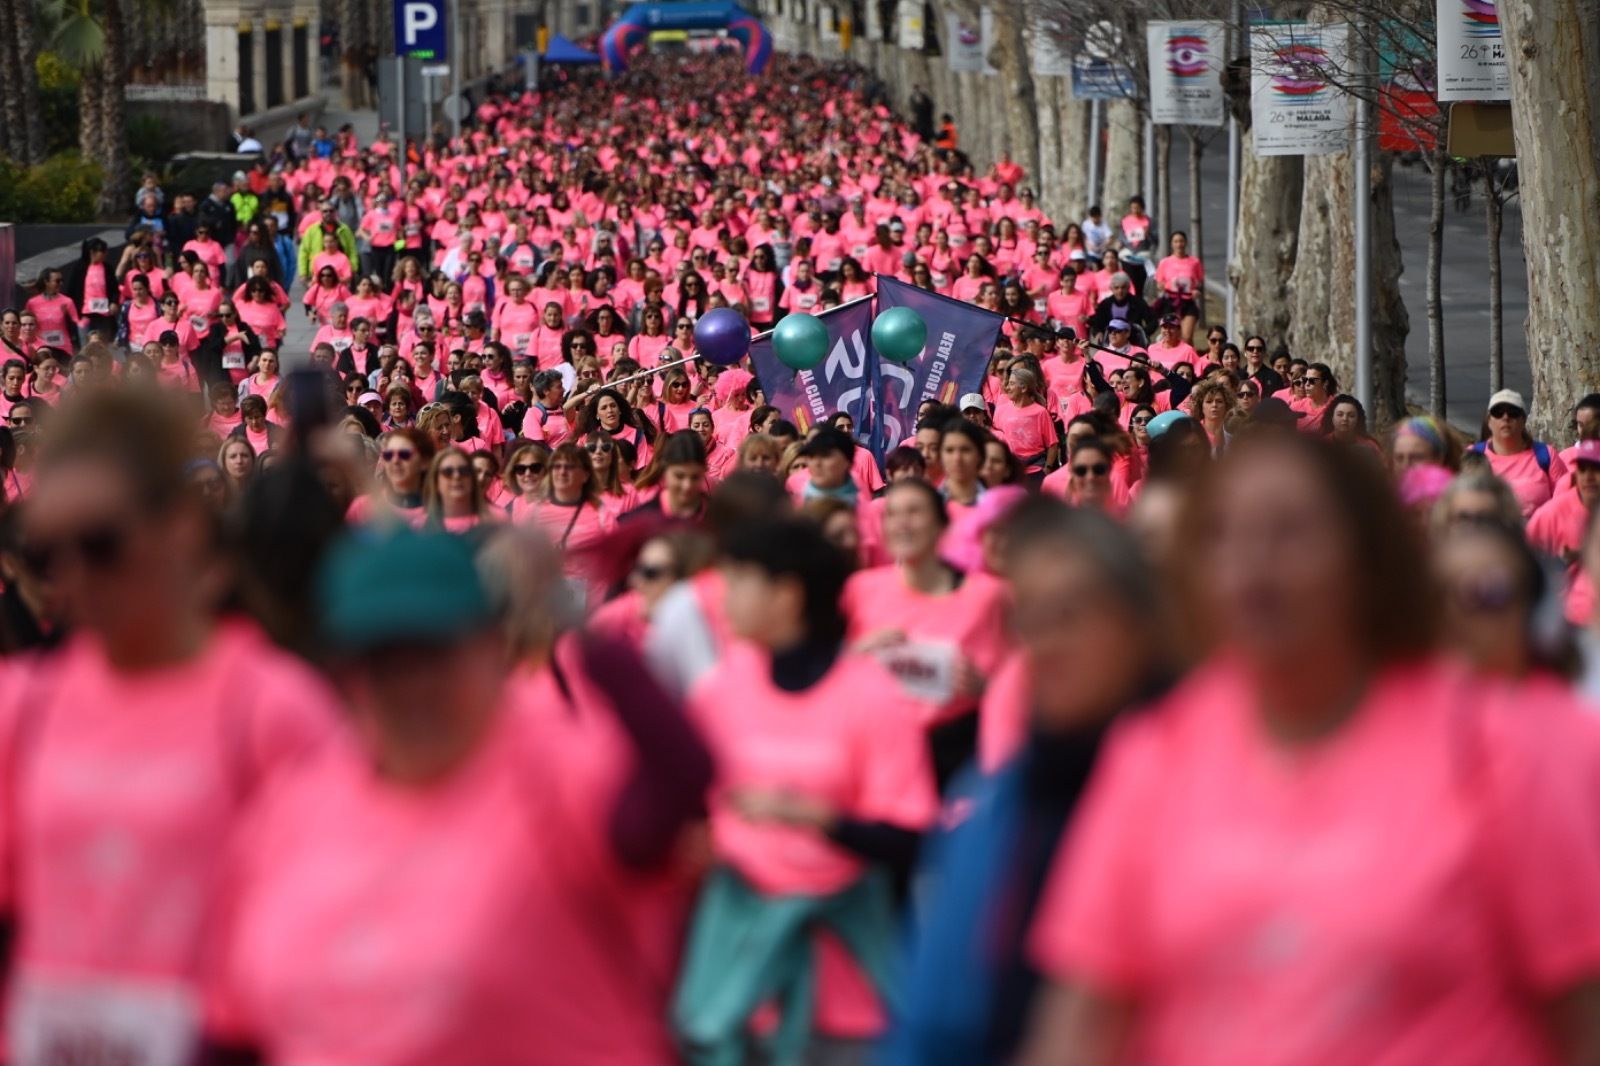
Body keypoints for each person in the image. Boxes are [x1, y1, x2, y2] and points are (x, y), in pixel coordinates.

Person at [1021, 433, 1600, 1066]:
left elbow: (1581, 1016)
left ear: (1367, 560)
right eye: (1223, 535)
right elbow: (1084, 1018)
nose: (1253, 565)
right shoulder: (1154, 752)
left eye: (1289, 532)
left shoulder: (1495, 744)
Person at [204, 525, 709, 1064]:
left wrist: (575, 622)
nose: (411, 684)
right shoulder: (295, 809)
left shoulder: (552, 770)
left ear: (492, 644)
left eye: (434, 653)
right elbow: (231, 1028)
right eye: (382, 661)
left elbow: (677, 783)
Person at [1, 389, 338, 1061]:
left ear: (181, 528)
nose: (72, 576)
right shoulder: (23, 706)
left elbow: (325, 931)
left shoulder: (274, 709)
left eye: (101, 545)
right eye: (47, 552)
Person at [889, 499, 1172, 1065]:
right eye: (1030, 620)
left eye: (1070, 614)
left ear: (1137, 624)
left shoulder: (1189, 782)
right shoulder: (994, 799)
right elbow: (930, 1012)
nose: (1046, 643)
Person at [674, 517, 937, 1064]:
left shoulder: (871, 696)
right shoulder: (722, 687)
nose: (723, 595)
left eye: (738, 579)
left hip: (846, 990)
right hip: (739, 983)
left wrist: (819, 818)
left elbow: (911, 839)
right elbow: (688, 807)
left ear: (787, 594)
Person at [843, 478, 1012, 780]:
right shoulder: (861, 589)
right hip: (880, 752)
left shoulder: (990, 596)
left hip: (959, 755)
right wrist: (858, 652)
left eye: (914, 512)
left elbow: (1021, 686)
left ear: (941, 525)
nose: (901, 523)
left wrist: (986, 689)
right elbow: (829, 673)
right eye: (892, 514)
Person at [1473, 389, 1567, 518]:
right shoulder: (1473, 455)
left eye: (1513, 412)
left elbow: (1566, 502)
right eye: (1498, 412)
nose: (1505, 418)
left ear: (1523, 420)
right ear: (1489, 420)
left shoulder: (1546, 455)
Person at [424, 445, 498, 533]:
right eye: (448, 472)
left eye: (463, 471)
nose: (456, 476)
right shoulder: (421, 521)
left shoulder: (496, 518)